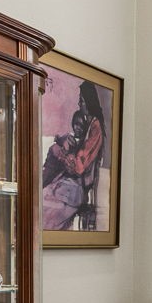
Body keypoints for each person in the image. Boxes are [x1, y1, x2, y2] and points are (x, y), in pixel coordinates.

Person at [41, 80, 106, 231]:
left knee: (43, 214)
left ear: (89, 102)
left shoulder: (95, 129)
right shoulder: (88, 126)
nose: (79, 104)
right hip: (68, 183)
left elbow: (78, 167)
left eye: (81, 101)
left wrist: (62, 152)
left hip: (75, 188)